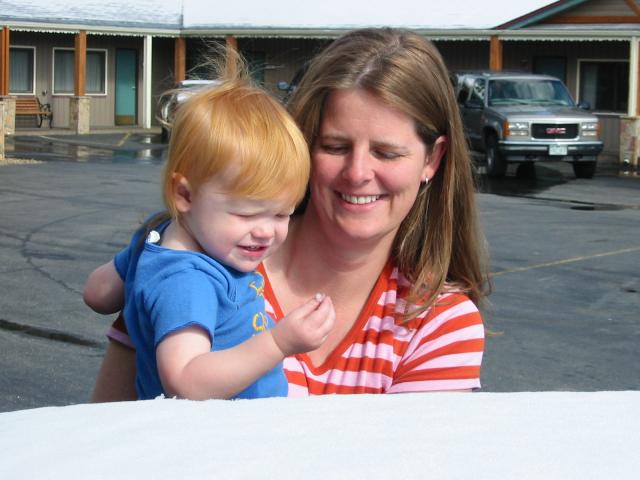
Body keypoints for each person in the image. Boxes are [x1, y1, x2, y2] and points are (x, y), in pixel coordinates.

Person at [91, 27, 489, 401]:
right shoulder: (200, 259)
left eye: (387, 152)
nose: (357, 173)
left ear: (432, 159)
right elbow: (107, 437)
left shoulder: (439, 326)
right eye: (334, 146)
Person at [83, 56, 335, 401]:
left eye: (282, 215)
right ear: (184, 194)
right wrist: (279, 342)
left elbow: (98, 292)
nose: (265, 232)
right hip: (214, 442)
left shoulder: (157, 232)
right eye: (247, 215)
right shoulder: (187, 281)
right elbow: (186, 379)